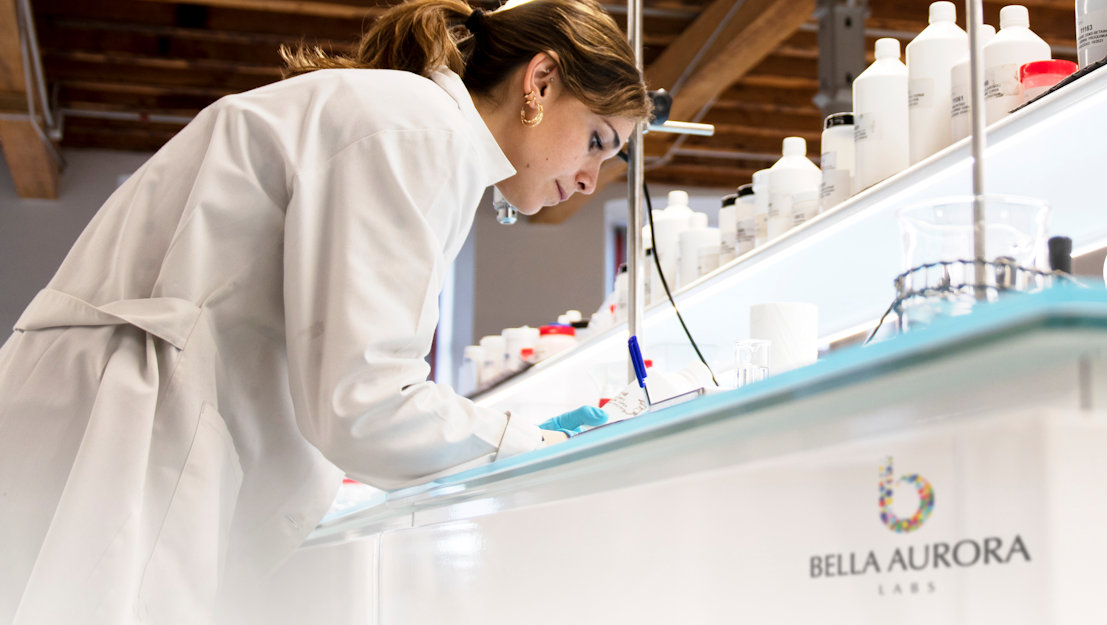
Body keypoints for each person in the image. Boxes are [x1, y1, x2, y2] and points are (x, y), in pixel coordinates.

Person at [0, 0, 650, 622]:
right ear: (540, 81)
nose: (591, 179)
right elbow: (364, 402)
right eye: (597, 139)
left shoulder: (406, 118)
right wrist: (538, 445)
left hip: (95, 408)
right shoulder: (424, 131)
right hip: (124, 422)